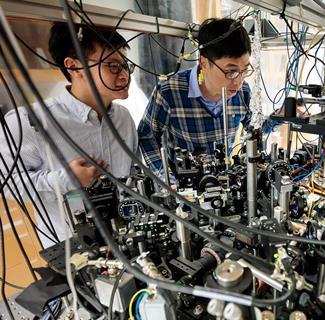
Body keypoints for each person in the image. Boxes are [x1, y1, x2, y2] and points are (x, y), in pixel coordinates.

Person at [0, 23, 138, 247]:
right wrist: (65, 179)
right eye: (113, 66)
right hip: (72, 253)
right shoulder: (28, 121)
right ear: (74, 67)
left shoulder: (123, 118)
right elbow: (6, 183)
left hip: (128, 241)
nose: (124, 75)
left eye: (126, 66)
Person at [137, 18, 254, 174]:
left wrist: (281, 116)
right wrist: (165, 178)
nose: (239, 81)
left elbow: (254, 128)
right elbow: (147, 136)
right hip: (185, 186)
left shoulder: (243, 92)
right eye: (230, 72)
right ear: (204, 63)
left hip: (225, 180)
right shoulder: (170, 91)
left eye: (244, 71)